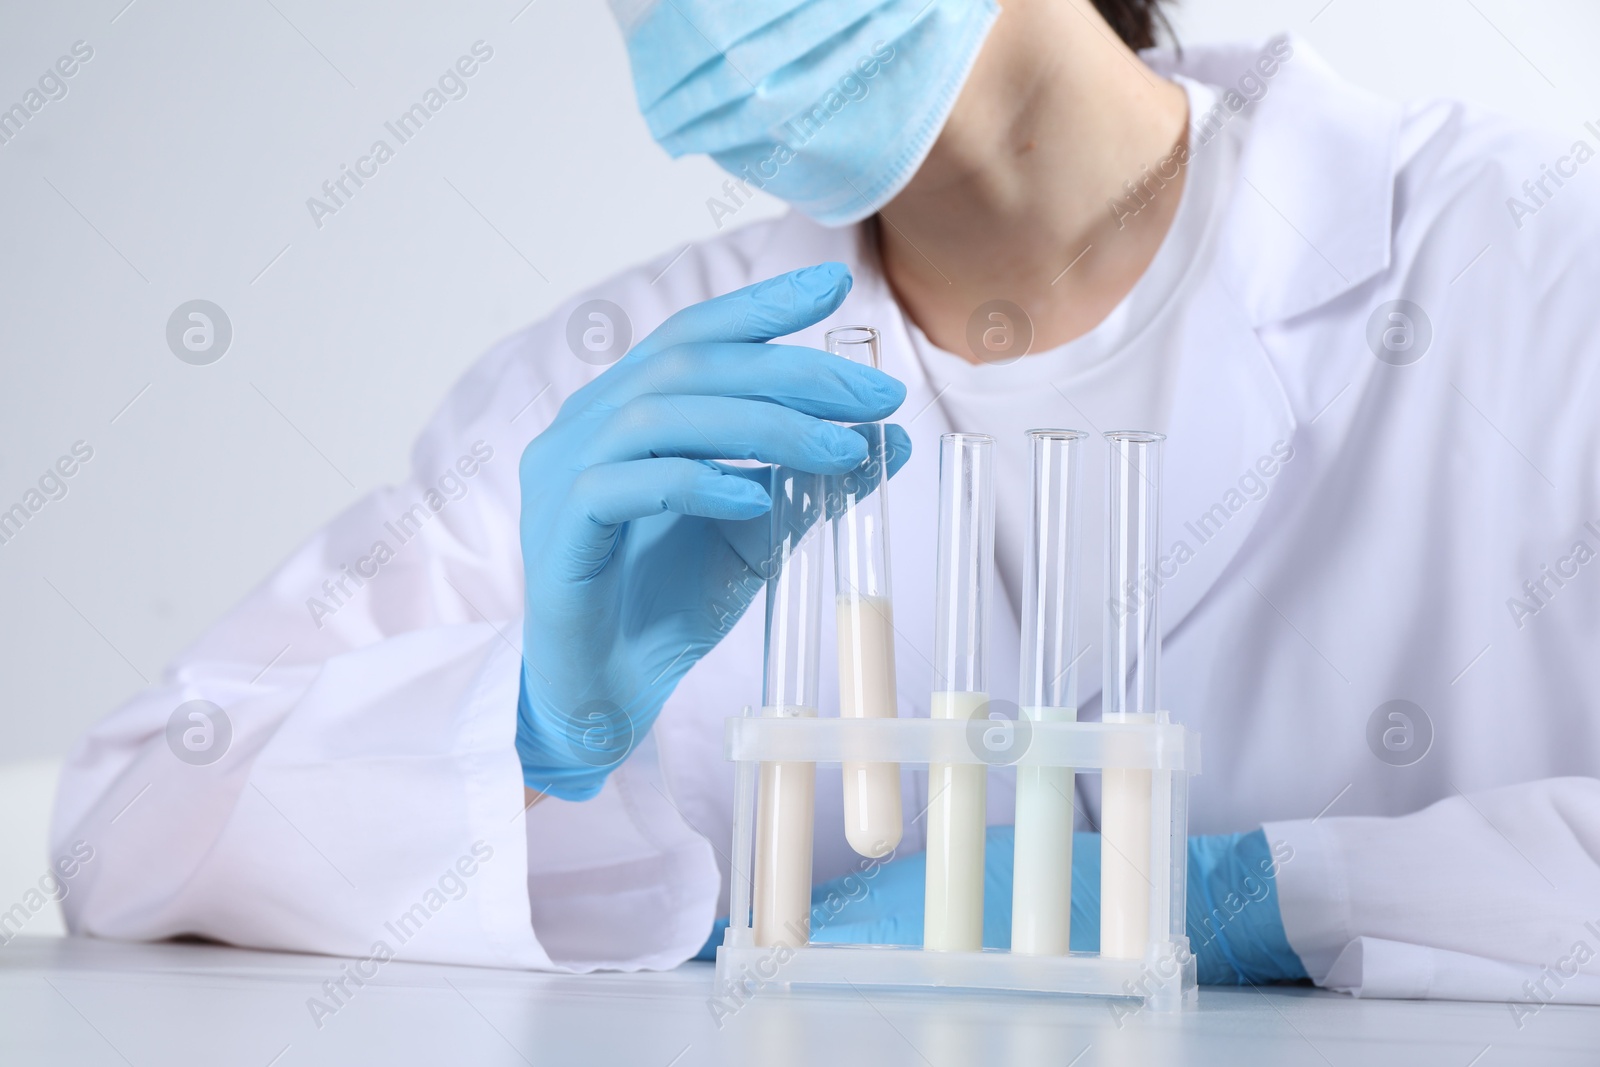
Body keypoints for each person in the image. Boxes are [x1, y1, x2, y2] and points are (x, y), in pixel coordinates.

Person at [53, 0, 1600, 1005]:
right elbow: (129, 833)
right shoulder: (623, 380)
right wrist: (523, 725)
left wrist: (1266, 895)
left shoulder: (1540, 266)